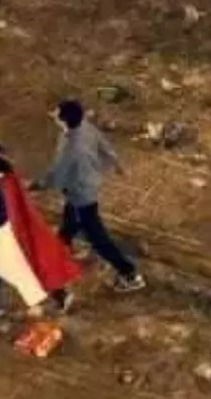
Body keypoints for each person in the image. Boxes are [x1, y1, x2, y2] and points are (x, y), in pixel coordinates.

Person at [0, 143, 79, 317]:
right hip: (6, 233)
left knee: (16, 266)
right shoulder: (2, 180)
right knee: (14, 264)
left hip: (2, 236)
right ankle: (58, 295)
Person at [40, 99, 144, 291]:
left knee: (98, 239)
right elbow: (103, 144)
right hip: (87, 185)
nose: (53, 113)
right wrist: (116, 163)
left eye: (57, 112)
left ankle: (129, 274)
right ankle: (62, 250)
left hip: (81, 195)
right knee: (69, 223)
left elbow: (56, 175)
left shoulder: (70, 147)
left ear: (63, 120)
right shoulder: (84, 127)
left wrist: (35, 186)